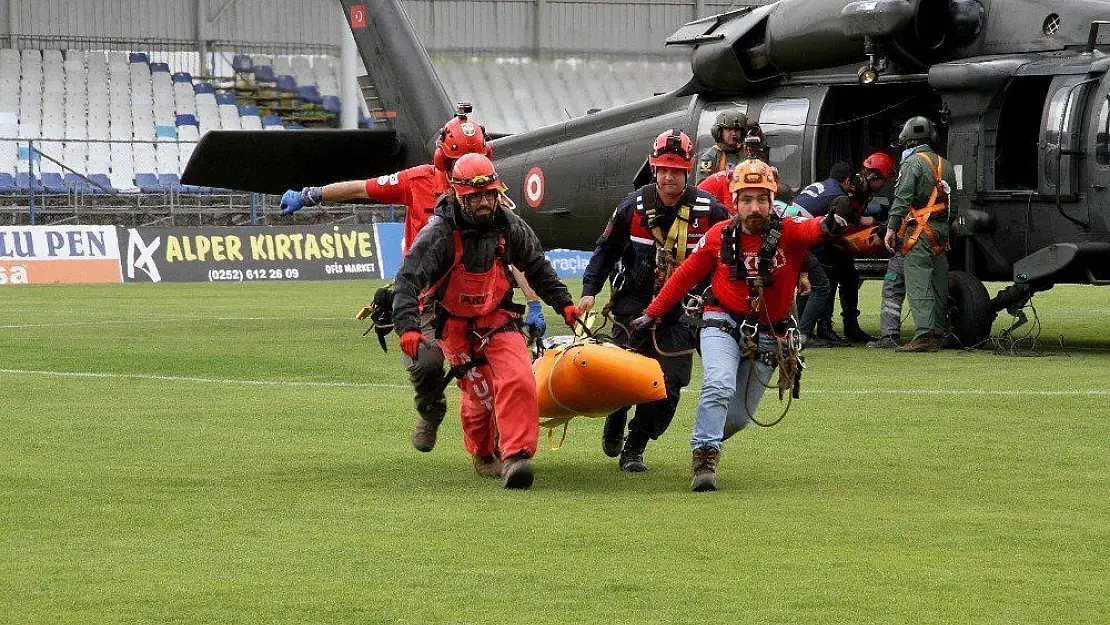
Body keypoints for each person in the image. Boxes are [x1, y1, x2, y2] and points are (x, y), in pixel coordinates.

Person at [279, 107, 547, 453]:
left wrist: (535, 301)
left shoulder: (489, 196)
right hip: (426, 299)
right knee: (427, 361)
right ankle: (431, 410)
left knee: (500, 371)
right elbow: (363, 189)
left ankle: (504, 449)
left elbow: (514, 255)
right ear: (441, 160)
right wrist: (313, 194)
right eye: (456, 162)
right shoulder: (417, 181)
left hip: (480, 299)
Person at [630, 159, 846, 491]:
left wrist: (830, 223)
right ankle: (704, 460)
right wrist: (652, 313)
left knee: (738, 417)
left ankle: (708, 433)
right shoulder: (718, 235)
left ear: (772, 200)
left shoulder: (789, 230)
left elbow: (813, 228)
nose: (755, 207)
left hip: (770, 332)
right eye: (747, 199)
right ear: (735, 201)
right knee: (718, 384)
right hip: (722, 320)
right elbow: (685, 275)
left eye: (762, 199)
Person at [391, 153, 579, 489]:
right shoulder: (438, 234)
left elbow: (536, 266)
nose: (484, 203)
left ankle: (517, 457)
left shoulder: (510, 226)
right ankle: (482, 453)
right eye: (476, 197)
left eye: (489, 195)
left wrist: (563, 304)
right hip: (454, 323)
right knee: (481, 395)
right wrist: (407, 326)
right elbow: (407, 281)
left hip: (496, 316)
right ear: (459, 196)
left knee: (519, 379)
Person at [579, 129, 729, 472]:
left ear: (688, 170)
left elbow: (733, 249)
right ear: (652, 167)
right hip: (631, 306)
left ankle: (636, 444)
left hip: (682, 311)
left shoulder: (710, 211)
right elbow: (606, 250)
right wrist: (589, 289)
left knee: (669, 382)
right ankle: (616, 415)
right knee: (620, 374)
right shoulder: (632, 206)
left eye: (675, 170)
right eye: (662, 169)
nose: (668, 177)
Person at [793, 154, 894, 344]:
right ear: (874, 176)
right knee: (825, 280)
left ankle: (849, 326)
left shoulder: (851, 186)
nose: (883, 186)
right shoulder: (846, 191)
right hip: (817, 235)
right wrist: (852, 236)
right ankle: (821, 327)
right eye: (883, 181)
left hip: (808, 230)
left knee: (849, 276)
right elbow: (836, 224)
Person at [882, 116, 956, 352]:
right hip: (941, 229)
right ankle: (938, 332)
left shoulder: (912, 163)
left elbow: (903, 198)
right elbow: (954, 201)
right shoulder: (946, 165)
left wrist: (892, 227)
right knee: (938, 282)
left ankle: (925, 334)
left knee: (918, 281)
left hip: (919, 231)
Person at [696, 110, 748, 184]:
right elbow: (702, 186)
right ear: (720, 132)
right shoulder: (710, 156)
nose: (733, 133)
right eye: (729, 129)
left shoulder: (746, 153)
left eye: (737, 130)